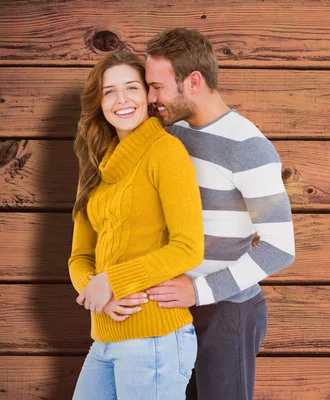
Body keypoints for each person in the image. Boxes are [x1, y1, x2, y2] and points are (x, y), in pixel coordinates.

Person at [137, 28, 296, 400]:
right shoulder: (172, 133)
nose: (150, 97)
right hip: (173, 311)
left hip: (226, 313)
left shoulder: (247, 148)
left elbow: (280, 246)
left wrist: (197, 291)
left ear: (193, 81)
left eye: (158, 87)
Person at [68, 50, 204, 400]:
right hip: (105, 338)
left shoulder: (165, 152)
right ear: (98, 103)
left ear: (147, 95)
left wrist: (111, 281)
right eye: (109, 91)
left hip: (154, 341)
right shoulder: (97, 166)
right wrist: (98, 295)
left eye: (131, 87)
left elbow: (188, 248)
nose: (121, 99)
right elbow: (79, 257)